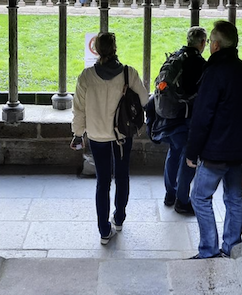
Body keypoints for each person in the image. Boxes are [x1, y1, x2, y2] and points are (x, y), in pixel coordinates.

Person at [71, 32, 149, 245]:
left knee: (102, 181)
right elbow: (144, 99)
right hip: (122, 134)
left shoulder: (86, 76)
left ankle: (104, 230)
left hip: (97, 135)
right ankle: (120, 218)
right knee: (122, 176)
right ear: (115, 48)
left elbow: (78, 109)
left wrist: (78, 134)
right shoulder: (128, 73)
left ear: (96, 50)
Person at [186, 20, 242, 258]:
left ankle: (208, 250)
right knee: (234, 196)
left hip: (215, 151)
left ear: (215, 45)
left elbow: (202, 116)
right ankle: (232, 246)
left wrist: (192, 153)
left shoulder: (213, 72)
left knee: (199, 197)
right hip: (238, 150)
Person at [156, 26, 208, 215]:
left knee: (173, 152)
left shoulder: (176, 56)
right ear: (202, 43)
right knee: (188, 158)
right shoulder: (199, 63)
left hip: (170, 114)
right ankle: (182, 200)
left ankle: (170, 194)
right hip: (187, 116)